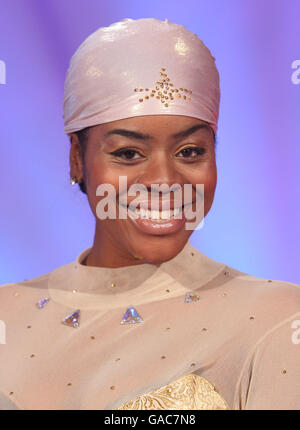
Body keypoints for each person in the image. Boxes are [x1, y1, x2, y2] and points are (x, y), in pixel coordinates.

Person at [0, 17, 299, 410]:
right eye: (128, 154)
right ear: (77, 159)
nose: (163, 181)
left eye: (189, 151)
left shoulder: (277, 319)